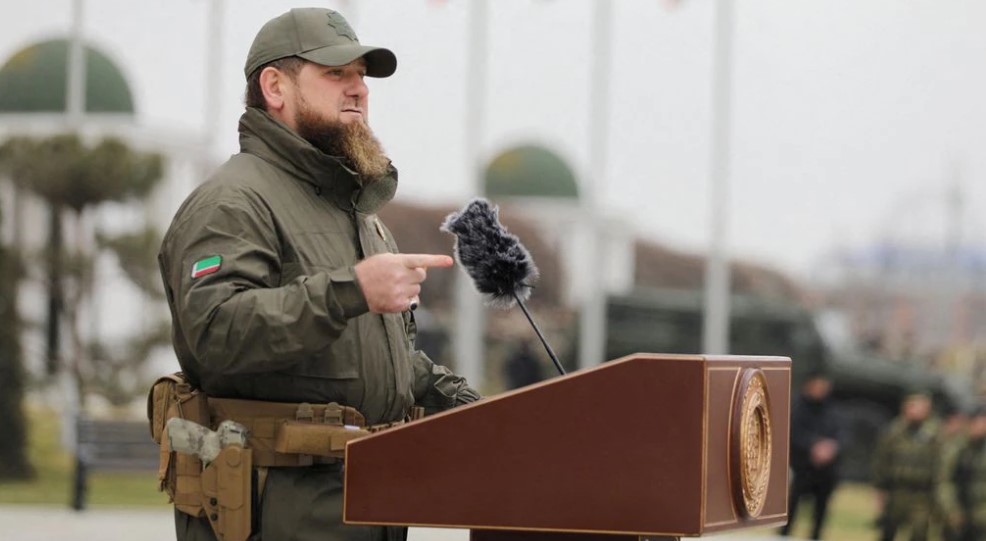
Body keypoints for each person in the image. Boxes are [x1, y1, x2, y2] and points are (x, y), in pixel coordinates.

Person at [157, 8, 480, 541]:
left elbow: (366, 361)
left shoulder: (356, 215)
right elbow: (216, 332)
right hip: (277, 515)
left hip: (363, 508)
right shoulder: (231, 203)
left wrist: (473, 407)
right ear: (275, 87)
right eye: (335, 73)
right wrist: (353, 290)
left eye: (362, 75)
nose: (358, 89)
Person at [779, 371, 844, 540]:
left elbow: (842, 434)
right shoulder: (797, 407)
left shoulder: (833, 410)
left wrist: (830, 448)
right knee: (791, 508)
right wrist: (813, 446)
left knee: (820, 511)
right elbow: (792, 432)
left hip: (825, 471)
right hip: (801, 467)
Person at [872, 390, 942, 541]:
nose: (918, 411)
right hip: (896, 491)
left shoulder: (935, 434)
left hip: (921, 493)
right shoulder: (893, 432)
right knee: (888, 530)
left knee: (919, 532)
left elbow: (941, 466)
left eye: (923, 407)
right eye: (914, 406)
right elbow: (881, 462)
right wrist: (879, 491)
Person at [939, 406, 986, 541]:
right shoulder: (956, 448)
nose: (981, 427)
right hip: (959, 511)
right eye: (977, 422)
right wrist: (951, 509)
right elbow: (944, 481)